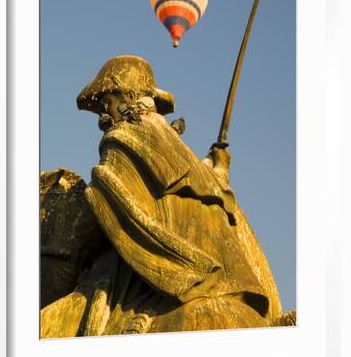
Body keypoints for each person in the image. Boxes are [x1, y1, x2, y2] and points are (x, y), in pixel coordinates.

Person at [41, 55, 282, 338]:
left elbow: (106, 205)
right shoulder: (181, 151)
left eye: (106, 104)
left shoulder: (124, 137)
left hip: (166, 272)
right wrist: (220, 167)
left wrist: (74, 242)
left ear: (126, 96)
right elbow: (216, 196)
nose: (102, 119)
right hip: (228, 276)